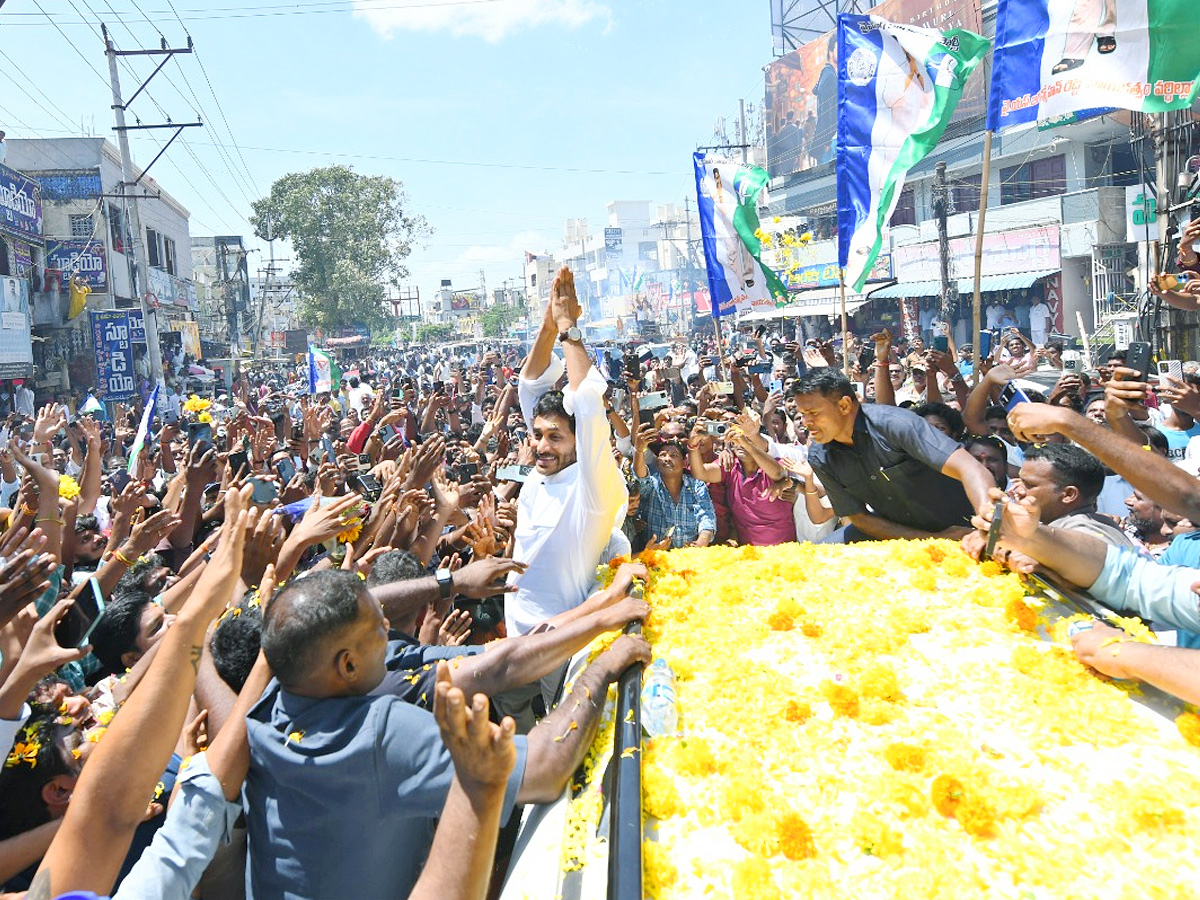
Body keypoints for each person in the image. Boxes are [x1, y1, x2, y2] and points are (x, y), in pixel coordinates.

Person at [244, 568, 650, 900]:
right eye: (377, 629)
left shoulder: (266, 705)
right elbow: (545, 767)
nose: (388, 624)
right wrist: (600, 671)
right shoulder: (377, 732)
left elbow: (501, 660)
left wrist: (598, 612)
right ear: (348, 665)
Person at [508, 266, 627, 638]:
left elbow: (589, 404)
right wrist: (547, 327)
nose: (541, 446)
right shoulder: (544, 469)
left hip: (563, 640)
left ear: (580, 441)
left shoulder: (592, 484)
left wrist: (567, 330)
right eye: (537, 435)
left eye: (555, 437)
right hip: (515, 635)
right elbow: (529, 386)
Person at [791, 368, 995, 541]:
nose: (806, 422)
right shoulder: (819, 455)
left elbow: (969, 467)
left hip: (962, 525)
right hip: (899, 534)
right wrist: (931, 539)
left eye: (813, 413)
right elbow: (859, 518)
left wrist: (986, 520)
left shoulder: (895, 424)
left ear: (844, 405)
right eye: (802, 414)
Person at [632, 427, 715, 548]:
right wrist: (639, 451)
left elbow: (706, 516)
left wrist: (700, 543)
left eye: (673, 455)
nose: (667, 459)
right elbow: (641, 478)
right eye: (662, 455)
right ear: (656, 462)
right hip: (655, 559)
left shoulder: (696, 486)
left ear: (685, 463)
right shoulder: (651, 485)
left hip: (689, 558)